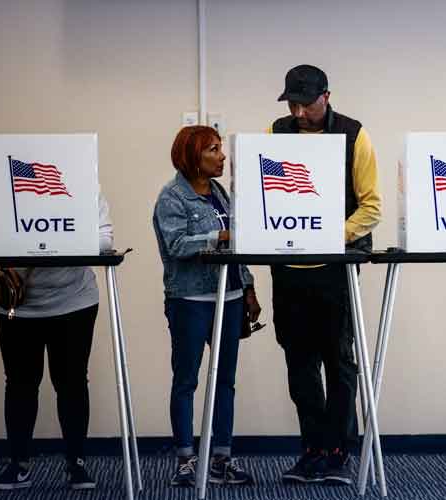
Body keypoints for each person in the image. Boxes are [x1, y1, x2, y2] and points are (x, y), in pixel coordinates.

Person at [268, 64, 382, 485]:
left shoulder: (354, 134)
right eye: (292, 104)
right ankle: (311, 448)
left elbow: (371, 207)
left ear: (326, 96)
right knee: (299, 364)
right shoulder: (277, 132)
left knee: (339, 363)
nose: (298, 112)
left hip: (335, 269)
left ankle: (338, 452)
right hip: (289, 269)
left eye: (305, 103)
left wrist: (329, 235)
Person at [153, 125, 261, 487]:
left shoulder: (220, 193)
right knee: (186, 380)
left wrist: (248, 287)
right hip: (189, 300)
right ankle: (185, 461)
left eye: (220, 149)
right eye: (213, 150)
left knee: (225, 382)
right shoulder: (172, 197)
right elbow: (176, 246)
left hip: (228, 297)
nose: (222, 156)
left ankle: (221, 460)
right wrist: (219, 236)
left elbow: (239, 247)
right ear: (192, 157)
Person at [0, 194, 114, 491]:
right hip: (16, 304)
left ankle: (76, 464)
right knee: (20, 384)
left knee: (71, 384)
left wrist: (48, 239)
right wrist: (61, 238)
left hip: (74, 301)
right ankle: (18, 464)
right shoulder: (5, 185)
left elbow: (105, 241)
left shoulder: (86, 187)